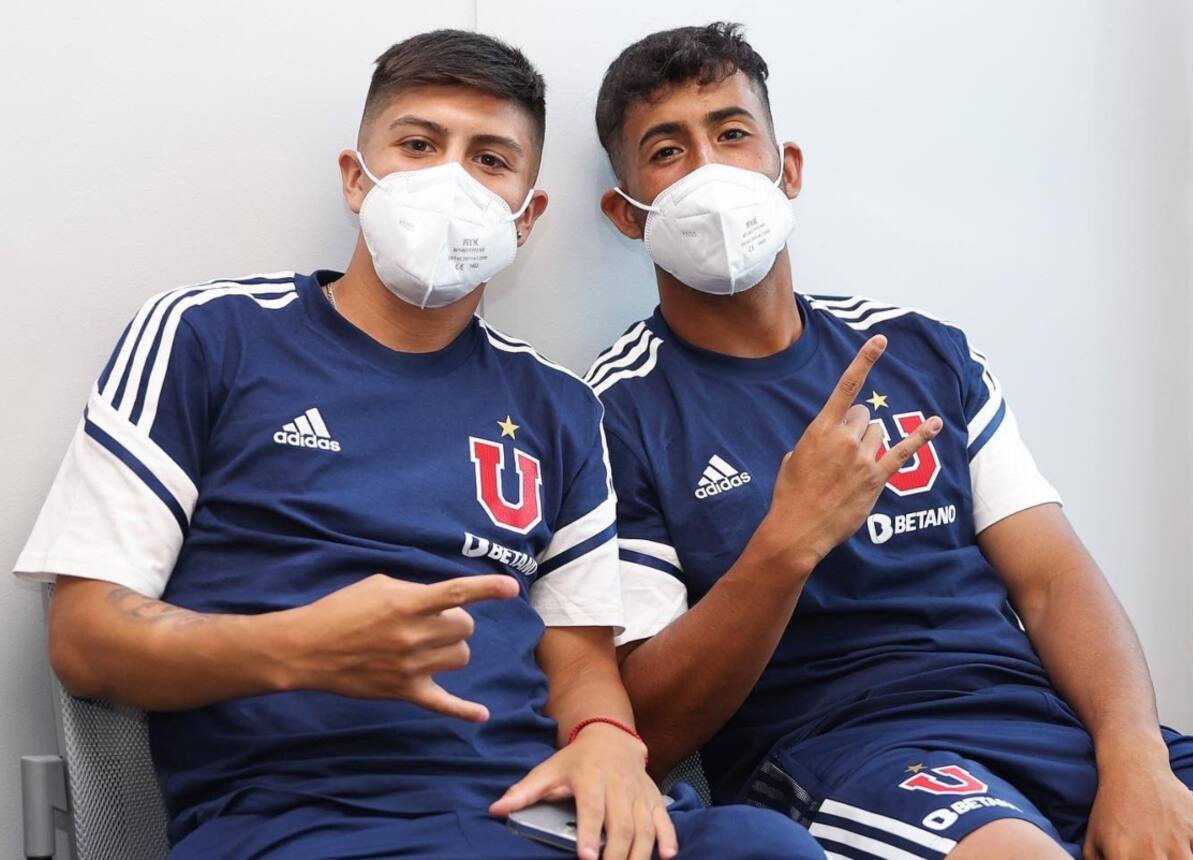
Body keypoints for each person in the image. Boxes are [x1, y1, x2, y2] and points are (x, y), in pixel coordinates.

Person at [13, 29, 820, 860]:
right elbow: (84, 640)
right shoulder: (208, 337)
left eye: (490, 159)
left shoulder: (559, 407)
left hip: (525, 814)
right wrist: (292, 647)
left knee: (765, 847)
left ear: (526, 217)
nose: (451, 180)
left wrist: (607, 737)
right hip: (302, 819)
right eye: (419, 145)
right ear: (356, 179)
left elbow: (579, 661)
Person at [589, 21, 1193, 860]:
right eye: (667, 151)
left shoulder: (921, 350)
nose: (708, 170)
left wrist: (1134, 760)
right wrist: (787, 544)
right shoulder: (614, 411)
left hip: (1045, 725)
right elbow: (650, 728)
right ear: (626, 213)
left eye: (731, 134)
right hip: (847, 751)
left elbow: (1053, 581)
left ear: (786, 168)